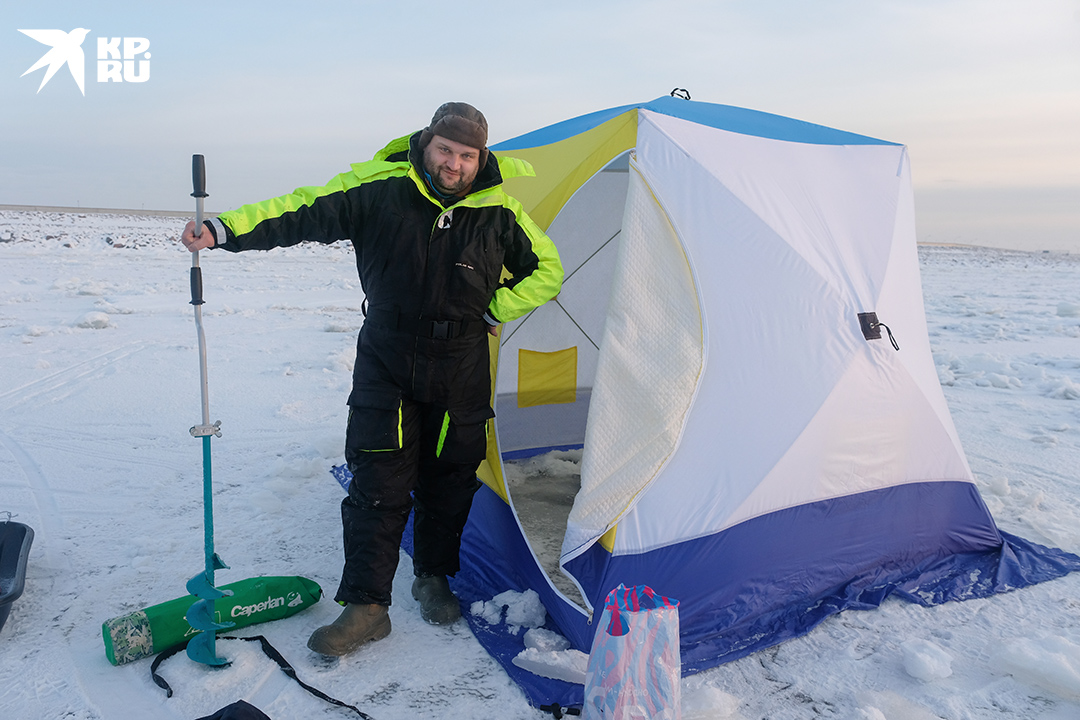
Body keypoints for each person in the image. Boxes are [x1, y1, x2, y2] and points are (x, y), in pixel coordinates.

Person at [180, 102, 563, 656]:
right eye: (445, 151)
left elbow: (547, 270)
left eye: (466, 155)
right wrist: (223, 229)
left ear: (481, 159)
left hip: (462, 363)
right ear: (426, 145)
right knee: (377, 481)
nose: (453, 164)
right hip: (389, 354)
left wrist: (494, 308)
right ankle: (366, 606)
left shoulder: (500, 211)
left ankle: (433, 575)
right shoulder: (380, 188)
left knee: (450, 478)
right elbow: (301, 210)